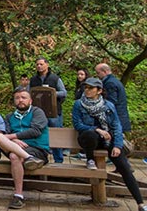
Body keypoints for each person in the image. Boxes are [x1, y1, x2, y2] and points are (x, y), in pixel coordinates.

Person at [72, 78, 146, 210]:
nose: (87, 90)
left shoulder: (108, 105)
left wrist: (117, 145)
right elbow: (78, 125)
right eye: (86, 88)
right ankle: (90, 159)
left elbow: (117, 126)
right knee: (90, 134)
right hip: (89, 139)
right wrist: (98, 129)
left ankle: (140, 203)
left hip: (108, 139)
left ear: (99, 91)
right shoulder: (78, 104)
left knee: (124, 166)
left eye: (91, 88)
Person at [0, 89, 48, 209]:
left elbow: (36, 131)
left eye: (23, 97)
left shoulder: (37, 112)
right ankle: (29, 158)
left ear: (30, 100)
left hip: (37, 149)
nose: (20, 100)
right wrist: (14, 141)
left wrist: (13, 137)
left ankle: (18, 196)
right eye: (17, 98)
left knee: (14, 156)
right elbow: (5, 134)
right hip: (16, 147)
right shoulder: (9, 116)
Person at [29, 57, 67, 163]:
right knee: (39, 135)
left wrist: (50, 93)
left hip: (54, 113)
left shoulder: (55, 78)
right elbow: (28, 93)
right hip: (38, 113)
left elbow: (64, 93)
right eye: (37, 64)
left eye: (41, 64)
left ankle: (58, 160)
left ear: (47, 65)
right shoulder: (33, 80)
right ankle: (41, 158)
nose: (39, 66)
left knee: (56, 135)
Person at [95, 63, 131, 133]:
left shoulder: (110, 83)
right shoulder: (114, 81)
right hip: (120, 118)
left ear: (104, 72)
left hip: (117, 119)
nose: (97, 75)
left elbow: (110, 103)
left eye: (98, 73)